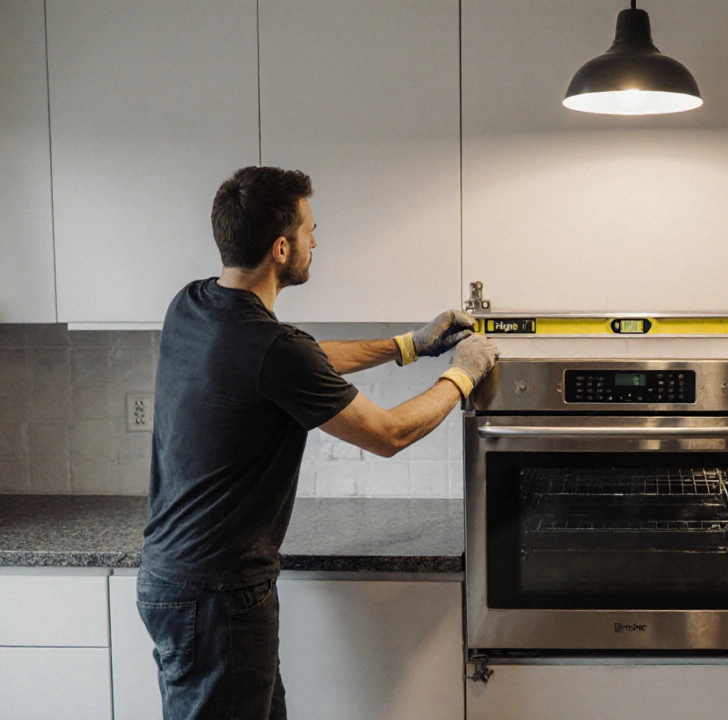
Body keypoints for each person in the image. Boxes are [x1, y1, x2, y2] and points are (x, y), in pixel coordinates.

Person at [136, 165, 499, 720]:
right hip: (217, 595)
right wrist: (462, 375)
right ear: (281, 249)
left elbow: (300, 361)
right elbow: (389, 433)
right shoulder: (270, 347)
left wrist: (408, 345)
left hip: (179, 578)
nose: (315, 243)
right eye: (309, 231)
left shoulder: (191, 304)